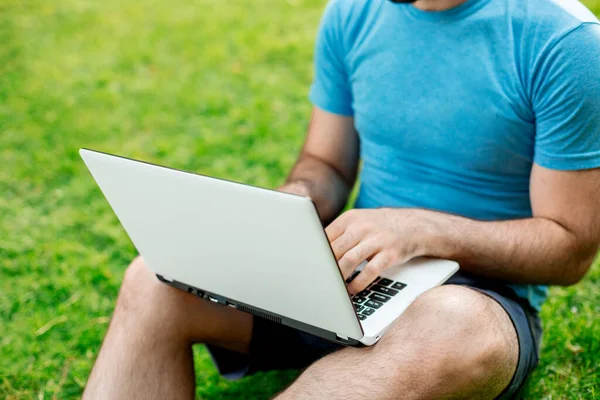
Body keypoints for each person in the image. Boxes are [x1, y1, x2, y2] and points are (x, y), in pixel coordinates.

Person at [83, 0, 600, 398]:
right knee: (152, 279)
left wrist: (423, 229)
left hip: (477, 299)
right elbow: (326, 165)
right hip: (346, 279)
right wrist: (290, 206)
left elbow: (568, 248)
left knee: (449, 326)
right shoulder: (354, 13)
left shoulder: (565, 42)